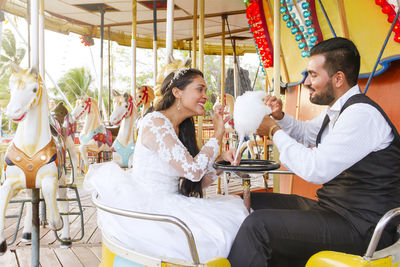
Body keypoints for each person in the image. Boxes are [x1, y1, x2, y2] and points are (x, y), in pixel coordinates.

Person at [228, 37, 400, 266]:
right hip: (333, 210)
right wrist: (280, 118)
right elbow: (308, 133)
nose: (307, 81)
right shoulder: (338, 110)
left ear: (338, 78)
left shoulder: (361, 115)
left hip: (361, 225)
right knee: (248, 203)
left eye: (313, 75)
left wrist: (274, 131)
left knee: (258, 226)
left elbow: (315, 168)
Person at [85, 68, 249, 262]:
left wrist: (220, 162)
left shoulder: (180, 128)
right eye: (200, 89)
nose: (205, 96)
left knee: (235, 217)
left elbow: (194, 181)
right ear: (177, 92)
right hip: (152, 206)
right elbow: (194, 172)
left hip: (172, 201)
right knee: (227, 226)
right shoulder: (155, 122)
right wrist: (218, 134)